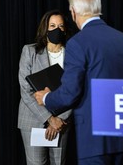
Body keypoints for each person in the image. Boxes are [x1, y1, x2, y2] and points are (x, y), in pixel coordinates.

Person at [34, 0, 123, 165]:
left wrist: (47, 98)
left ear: (73, 12)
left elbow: (70, 93)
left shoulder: (78, 43)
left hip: (95, 139)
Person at [18, 9, 73, 165]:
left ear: (65, 29)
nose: (57, 29)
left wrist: (59, 120)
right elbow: (25, 90)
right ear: (45, 28)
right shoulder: (30, 51)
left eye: (61, 26)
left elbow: (75, 89)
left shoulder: (73, 54)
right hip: (33, 120)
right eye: (52, 25)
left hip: (62, 122)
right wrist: (49, 119)